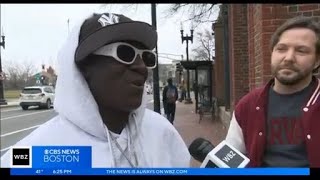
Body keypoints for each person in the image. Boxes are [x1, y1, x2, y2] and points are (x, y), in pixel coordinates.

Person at [1, 12, 190, 168]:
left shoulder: (163, 132)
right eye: (125, 53)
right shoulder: (32, 155)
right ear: (84, 68)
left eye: (146, 57)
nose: (141, 68)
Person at [225, 16, 320, 167]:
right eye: (281, 49)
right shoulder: (248, 105)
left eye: (301, 51)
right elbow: (229, 158)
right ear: (272, 53)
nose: (288, 58)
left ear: (316, 61)